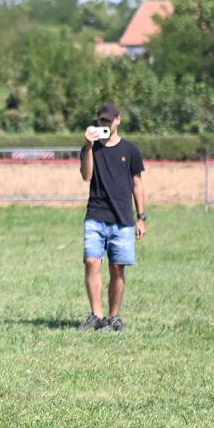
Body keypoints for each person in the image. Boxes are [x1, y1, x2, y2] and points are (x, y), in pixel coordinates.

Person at [78, 102, 145, 331]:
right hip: (95, 214)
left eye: (108, 119)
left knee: (117, 268)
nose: (104, 123)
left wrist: (141, 217)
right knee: (91, 262)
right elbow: (87, 176)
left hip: (122, 217)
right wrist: (89, 146)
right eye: (101, 120)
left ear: (118, 120)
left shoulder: (131, 150)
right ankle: (97, 316)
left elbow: (137, 185)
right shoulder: (90, 148)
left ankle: (114, 317)